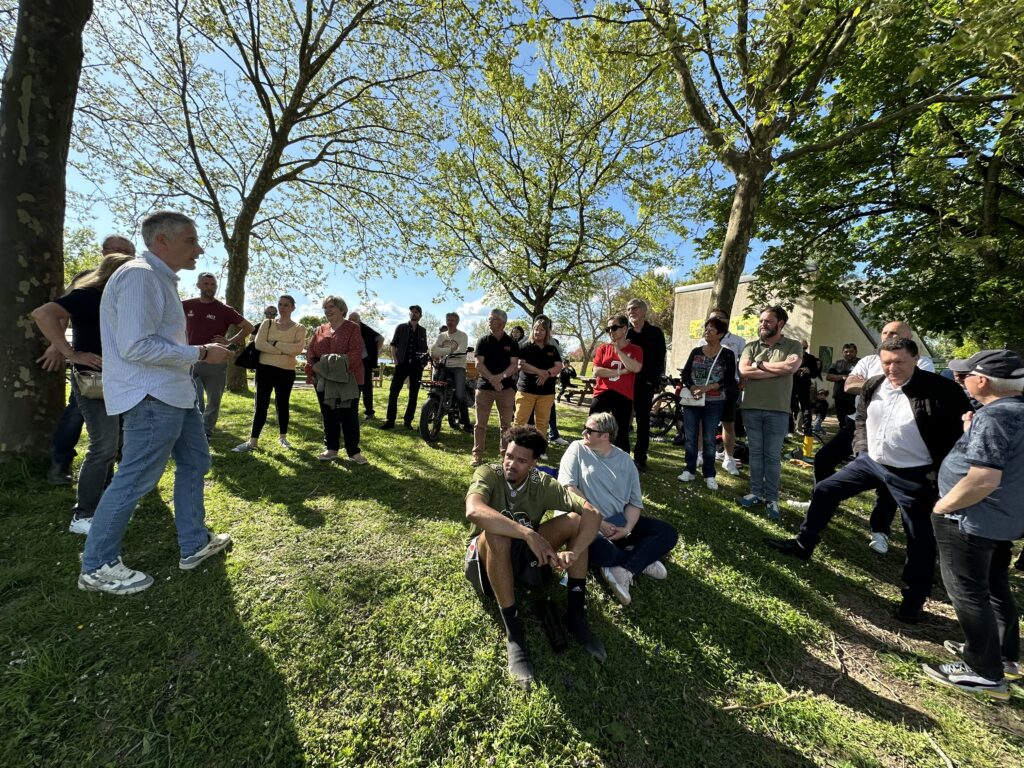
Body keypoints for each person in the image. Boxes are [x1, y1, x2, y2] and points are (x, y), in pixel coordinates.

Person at [78, 211, 233, 595]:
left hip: (176, 393)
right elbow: (137, 346)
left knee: (195, 462)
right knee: (135, 478)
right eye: (190, 240)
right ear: (161, 241)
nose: (199, 249)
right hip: (151, 396)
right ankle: (97, 566)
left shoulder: (158, 279)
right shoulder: (140, 276)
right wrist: (201, 352)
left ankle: (194, 542)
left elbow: (154, 341)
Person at [766, 338, 971, 623]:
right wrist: (862, 449)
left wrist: (940, 474)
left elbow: (961, 436)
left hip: (915, 472)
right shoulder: (875, 383)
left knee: (919, 535)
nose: (892, 368)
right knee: (825, 490)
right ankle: (803, 544)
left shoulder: (942, 390)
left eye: (899, 362)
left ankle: (913, 600)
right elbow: (861, 418)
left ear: (915, 359)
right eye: (886, 362)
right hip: (871, 462)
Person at [464, 426, 606, 688]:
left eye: (521, 460)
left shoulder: (542, 483)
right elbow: (474, 510)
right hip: (486, 558)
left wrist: (574, 551)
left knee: (575, 521)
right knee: (497, 533)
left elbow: (592, 513)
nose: (511, 464)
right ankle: (514, 633)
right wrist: (527, 533)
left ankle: (575, 613)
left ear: (534, 463)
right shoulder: (489, 473)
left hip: (524, 556)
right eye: (509, 456)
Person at [922, 350, 1024, 700]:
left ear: (982, 381)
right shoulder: (1014, 412)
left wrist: (943, 507)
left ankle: (983, 671)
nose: (961, 381)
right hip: (1002, 519)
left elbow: (983, 479)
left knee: (967, 592)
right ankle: (1004, 656)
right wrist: (971, 431)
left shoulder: (995, 417)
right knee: (994, 587)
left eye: (965, 375)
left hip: (969, 519)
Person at [32, 251, 135, 534]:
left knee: (114, 445)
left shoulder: (121, 301)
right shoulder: (89, 295)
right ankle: (83, 514)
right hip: (93, 382)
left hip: (120, 382)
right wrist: (70, 353)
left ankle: (104, 504)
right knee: (104, 446)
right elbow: (42, 314)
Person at [816, 321, 935, 554]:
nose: (888, 336)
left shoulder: (921, 362)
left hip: (896, 430)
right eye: (885, 332)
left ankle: (880, 530)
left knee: (886, 481)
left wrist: (871, 384)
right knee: (823, 458)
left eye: (894, 333)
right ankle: (821, 503)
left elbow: (917, 386)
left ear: (908, 338)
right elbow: (849, 384)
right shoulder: (869, 361)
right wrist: (890, 381)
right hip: (859, 423)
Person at [559, 411, 678, 606]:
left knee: (668, 533)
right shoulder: (577, 449)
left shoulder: (625, 460)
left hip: (618, 522)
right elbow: (568, 488)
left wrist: (627, 529)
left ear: (605, 436)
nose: (583, 433)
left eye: (589, 430)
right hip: (586, 522)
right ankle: (640, 558)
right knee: (598, 549)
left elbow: (635, 503)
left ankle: (623, 568)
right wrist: (599, 522)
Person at [737, 306, 803, 519]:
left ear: (780, 323)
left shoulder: (793, 345)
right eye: (761, 321)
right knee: (755, 454)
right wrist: (777, 370)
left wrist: (760, 366)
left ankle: (771, 499)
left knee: (772, 456)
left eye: (767, 321)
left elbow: (791, 369)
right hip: (751, 408)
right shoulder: (751, 346)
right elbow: (744, 370)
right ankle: (755, 493)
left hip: (778, 410)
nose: (762, 324)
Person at [182, 272, 254, 439]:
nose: (210, 287)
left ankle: (206, 432)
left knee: (213, 400)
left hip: (215, 361)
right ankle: (190, 429)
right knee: (188, 396)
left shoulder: (223, 309)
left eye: (213, 284)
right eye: (206, 284)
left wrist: (229, 342)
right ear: (198, 285)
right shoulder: (186, 305)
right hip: (190, 358)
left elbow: (249, 327)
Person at [233, 295, 306, 453]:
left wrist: (274, 343)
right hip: (265, 369)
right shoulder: (268, 323)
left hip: (286, 371)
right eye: (280, 304)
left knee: (283, 404)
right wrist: (283, 350)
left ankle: (283, 438)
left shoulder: (300, 328)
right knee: (261, 404)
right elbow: (259, 344)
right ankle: (253, 441)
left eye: (286, 305)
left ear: (293, 307)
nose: (282, 307)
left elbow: (297, 349)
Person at [305, 296, 367, 464]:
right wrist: (318, 368)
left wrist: (332, 369)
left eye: (331, 306)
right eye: (325, 308)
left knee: (349, 415)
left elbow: (356, 353)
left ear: (342, 309)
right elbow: (310, 352)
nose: (328, 310)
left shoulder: (352, 328)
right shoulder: (320, 329)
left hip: (349, 378)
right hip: (323, 380)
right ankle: (331, 449)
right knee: (328, 414)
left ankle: (353, 452)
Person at [678, 317, 736, 490]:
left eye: (712, 329)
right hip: (692, 400)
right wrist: (693, 387)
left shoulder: (727, 354)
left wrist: (708, 388)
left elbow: (728, 378)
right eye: (706, 328)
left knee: (709, 438)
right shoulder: (696, 351)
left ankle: (709, 474)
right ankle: (689, 469)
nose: (707, 331)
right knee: (690, 436)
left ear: (720, 334)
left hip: (714, 401)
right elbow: (686, 373)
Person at [472, 309, 519, 466]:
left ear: (503, 322)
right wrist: (493, 380)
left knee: (506, 425)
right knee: (480, 424)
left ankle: (505, 456)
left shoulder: (512, 343)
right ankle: (477, 455)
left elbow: (514, 365)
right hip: (484, 388)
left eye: (493, 319)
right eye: (489, 319)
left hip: (506, 390)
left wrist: (501, 377)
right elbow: (479, 364)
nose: (490, 321)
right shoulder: (483, 341)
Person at [589, 313, 643, 453]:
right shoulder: (603, 348)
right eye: (607, 329)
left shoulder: (636, 349)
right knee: (593, 427)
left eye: (614, 328)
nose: (610, 331)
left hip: (623, 395)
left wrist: (618, 351)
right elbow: (597, 370)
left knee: (621, 433)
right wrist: (620, 372)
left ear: (624, 329)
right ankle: (591, 456)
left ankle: (621, 462)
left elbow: (635, 368)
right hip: (603, 392)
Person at [626, 298, 666, 471]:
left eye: (634, 308)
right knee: (622, 420)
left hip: (645, 383)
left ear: (644, 311)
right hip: (625, 382)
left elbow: (660, 358)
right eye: (629, 309)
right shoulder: (625, 333)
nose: (631, 312)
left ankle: (640, 458)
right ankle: (621, 456)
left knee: (642, 422)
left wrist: (652, 380)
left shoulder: (655, 333)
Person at [706, 308, 747, 474]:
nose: (715, 321)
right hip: (706, 387)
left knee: (728, 423)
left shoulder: (738, 341)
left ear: (727, 321)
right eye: (712, 319)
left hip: (729, 387)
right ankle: (703, 454)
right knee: (704, 422)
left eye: (719, 318)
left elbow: (743, 364)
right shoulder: (703, 340)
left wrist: (742, 382)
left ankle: (729, 458)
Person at [512, 319, 562, 438]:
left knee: (542, 423)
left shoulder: (552, 349)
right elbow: (522, 365)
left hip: (547, 393)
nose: (538, 332)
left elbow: (559, 366)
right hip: (526, 391)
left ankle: (540, 447)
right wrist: (541, 372)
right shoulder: (525, 347)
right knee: (520, 422)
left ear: (547, 332)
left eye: (541, 330)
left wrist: (548, 373)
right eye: (535, 329)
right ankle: (516, 446)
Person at [381, 305, 427, 429]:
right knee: (394, 392)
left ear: (420, 315)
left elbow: (424, 349)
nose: (413, 314)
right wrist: (396, 360)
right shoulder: (401, 327)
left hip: (416, 366)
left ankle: (408, 422)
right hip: (402, 364)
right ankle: (390, 421)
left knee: (414, 394)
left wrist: (423, 363)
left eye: (416, 312)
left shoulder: (422, 331)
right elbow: (393, 345)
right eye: (412, 312)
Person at [430, 312, 471, 430]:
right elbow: (433, 351)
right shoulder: (441, 336)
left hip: (458, 367)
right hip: (443, 366)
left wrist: (441, 351)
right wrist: (450, 349)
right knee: (435, 391)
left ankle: (466, 423)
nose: (450, 322)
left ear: (457, 322)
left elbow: (461, 351)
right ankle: (428, 417)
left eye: (453, 320)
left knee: (460, 395)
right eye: (448, 320)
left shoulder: (462, 336)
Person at [349, 311, 385, 419]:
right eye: (350, 319)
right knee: (352, 385)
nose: (351, 321)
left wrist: (374, 353)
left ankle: (369, 412)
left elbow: (381, 339)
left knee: (366, 387)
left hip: (365, 361)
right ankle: (352, 410)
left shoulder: (365, 329)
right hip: (352, 361)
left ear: (359, 320)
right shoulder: (348, 328)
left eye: (353, 320)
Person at [826, 343, 859, 428]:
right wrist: (842, 377)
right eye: (846, 352)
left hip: (855, 397)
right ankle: (843, 432)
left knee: (853, 420)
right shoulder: (837, 363)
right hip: (840, 396)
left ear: (856, 352)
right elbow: (829, 376)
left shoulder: (861, 363)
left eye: (851, 351)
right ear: (842, 352)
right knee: (841, 419)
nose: (848, 353)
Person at [792, 340, 820, 435]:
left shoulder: (811, 358)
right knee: (791, 408)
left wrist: (809, 371)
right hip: (791, 385)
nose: (802, 349)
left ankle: (807, 430)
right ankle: (790, 429)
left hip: (804, 387)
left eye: (805, 348)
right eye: (801, 347)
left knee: (806, 409)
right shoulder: (791, 356)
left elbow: (815, 373)